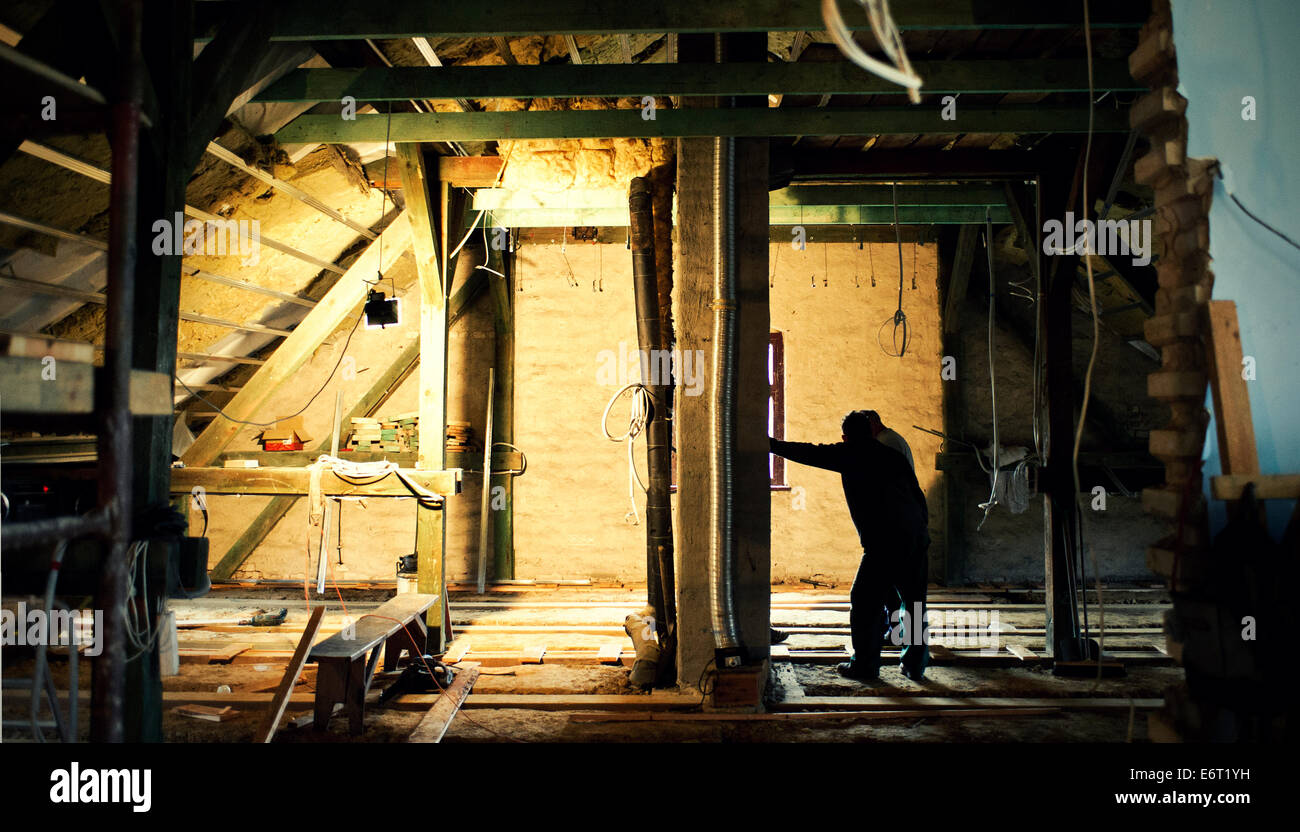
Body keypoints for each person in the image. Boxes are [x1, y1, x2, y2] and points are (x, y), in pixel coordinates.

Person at [769, 410, 930, 681]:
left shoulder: (849, 453)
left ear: (845, 437)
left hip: (884, 544)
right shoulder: (892, 456)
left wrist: (770, 445)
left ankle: (865, 666)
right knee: (913, 605)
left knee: (865, 602)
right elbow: (918, 497)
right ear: (871, 431)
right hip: (915, 538)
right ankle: (914, 664)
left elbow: (807, 452)